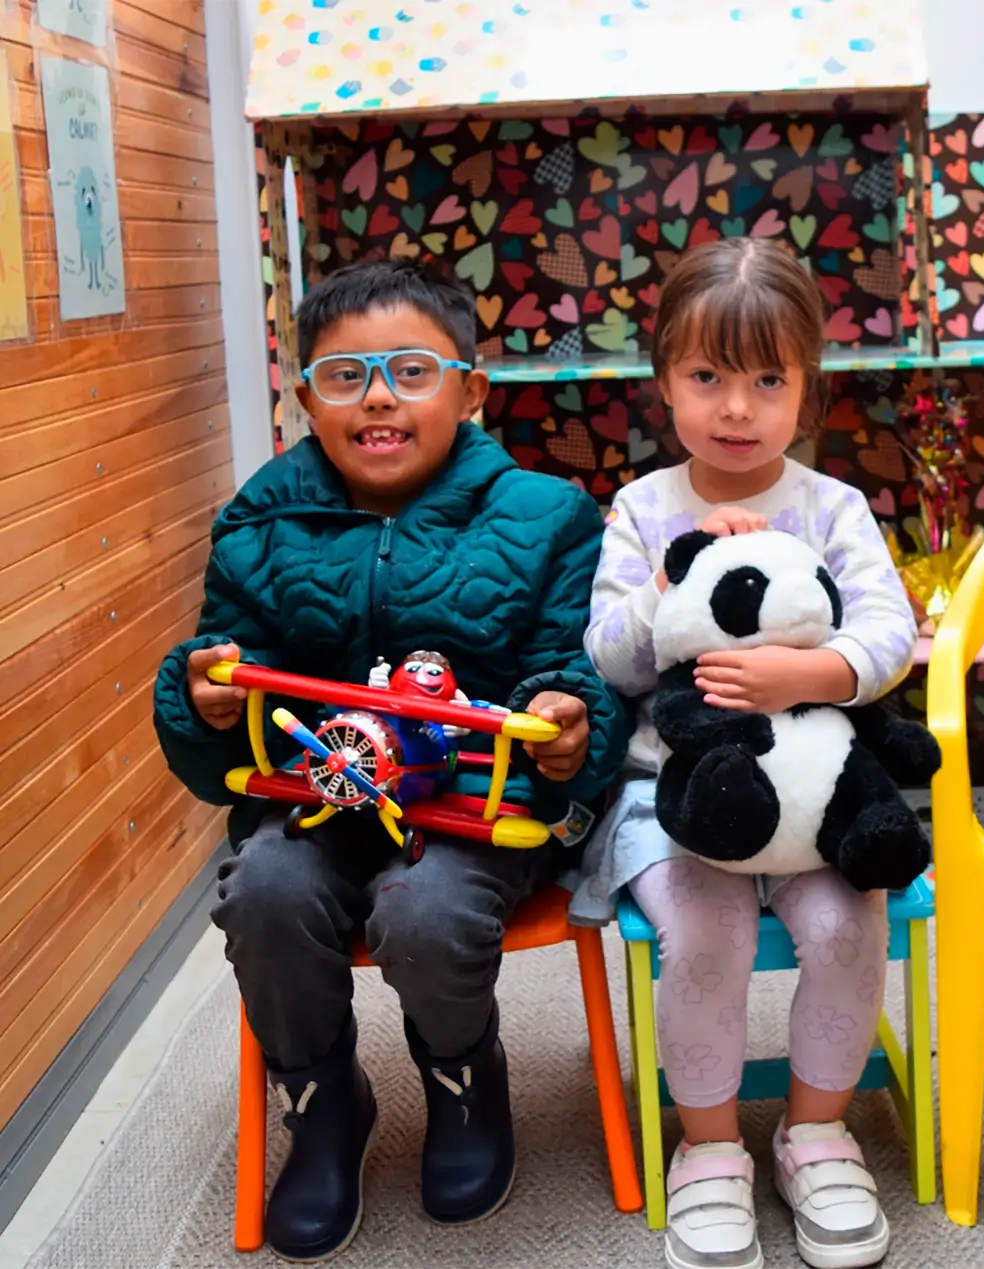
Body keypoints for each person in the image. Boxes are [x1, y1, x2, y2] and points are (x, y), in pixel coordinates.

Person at [151, 259, 631, 1261]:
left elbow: (575, 674)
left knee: (428, 910)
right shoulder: (257, 520)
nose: (378, 395)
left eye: (411, 370)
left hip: (474, 806)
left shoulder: (549, 516)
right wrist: (202, 696)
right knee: (266, 892)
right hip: (320, 797)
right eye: (345, 375)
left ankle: (461, 1075)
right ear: (306, 398)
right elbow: (225, 691)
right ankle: (321, 1101)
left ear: (470, 387)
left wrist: (571, 719)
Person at [576, 237, 918, 1269]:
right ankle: (710, 1148)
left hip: (813, 799)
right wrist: (675, 590)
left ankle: (815, 1130)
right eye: (707, 377)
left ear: (807, 388)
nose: (737, 407)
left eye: (768, 379)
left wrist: (806, 677)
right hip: (669, 794)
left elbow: (890, 633)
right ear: (665, 381)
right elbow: (612, 657)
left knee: (849, 924)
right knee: (708, 937)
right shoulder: (643, 510)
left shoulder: (832, 507)